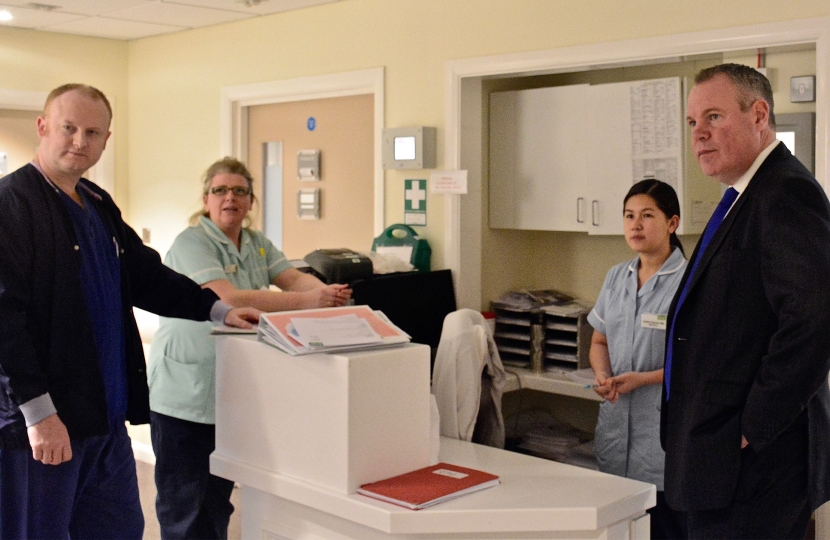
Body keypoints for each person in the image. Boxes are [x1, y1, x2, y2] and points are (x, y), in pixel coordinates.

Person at [0, 84, 260, 540]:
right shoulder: (11, 206)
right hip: (44, 428)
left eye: (93, 132)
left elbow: (147, 276)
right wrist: (39, 415)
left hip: (105, 421)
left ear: (106, 140)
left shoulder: (96, 204)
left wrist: (217, 309)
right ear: (43, 127)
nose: (80, 141)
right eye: (69, 128)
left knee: (118, 529)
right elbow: (4, 323)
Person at [661, 63, 830, 538]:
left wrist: (754, 425)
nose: (699, 135)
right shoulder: (743, 195)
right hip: (716, 459)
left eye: (714, 117)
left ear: (759, 114)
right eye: (693, 122)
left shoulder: (786, 193)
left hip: (755, 466)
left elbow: (814, 321)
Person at [148, 156, 351, 539]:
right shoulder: (191, 243)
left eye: (240, 191)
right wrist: (311, 301)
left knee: (217, 500)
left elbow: (292, 279)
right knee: (184, 503)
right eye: (220, 190)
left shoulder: (257, 244)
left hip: (235, 393)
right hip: (185, 395)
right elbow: (229, 298)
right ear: (206, 199)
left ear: (251, 202)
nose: (230, 198)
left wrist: (330, 294)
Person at [587, 179, 687, 539]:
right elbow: (599, 340)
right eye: (629, 216)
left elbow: (696, 364)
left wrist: (640, 380)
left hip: (661, 445)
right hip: (615, 438)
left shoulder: (689, 282)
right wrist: (603, 376)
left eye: (647, 215)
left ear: (672, 223)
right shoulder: (617, 276)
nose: (635, 225)